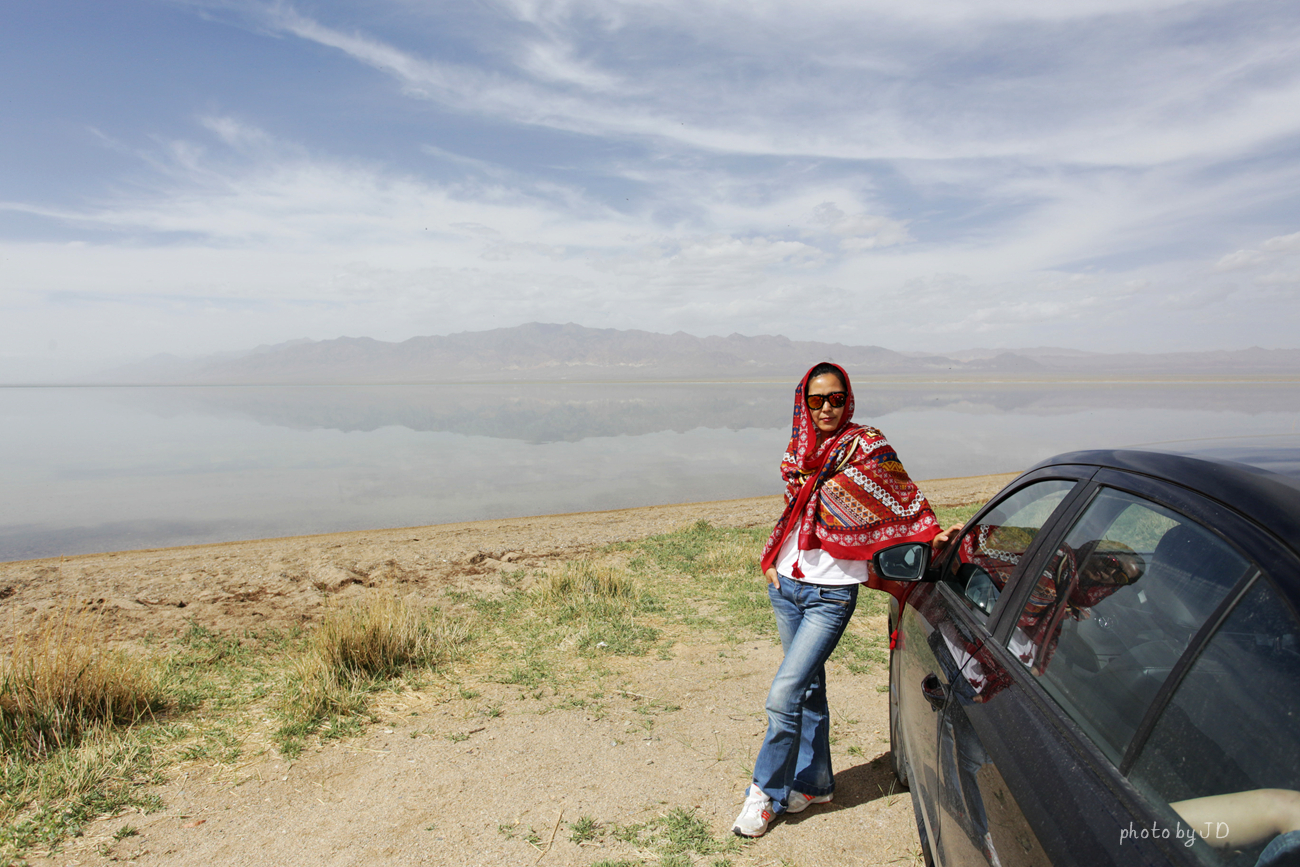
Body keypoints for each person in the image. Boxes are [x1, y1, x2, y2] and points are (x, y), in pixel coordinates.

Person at [732, 361, 959, 838]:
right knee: (809, 689)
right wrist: (773, 560)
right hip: (787, 587)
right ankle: (815, 782)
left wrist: (935, 537)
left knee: (784, 695)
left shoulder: (868, 446)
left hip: (830, 596)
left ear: (848, 399)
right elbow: (796, 510)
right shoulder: (800, 452)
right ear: (804, 404)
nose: (827, 408)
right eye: (816, 401)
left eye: (836, 398)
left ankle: (764, 793)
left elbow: (903, 499)